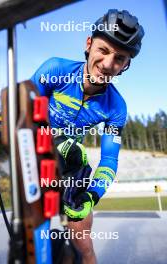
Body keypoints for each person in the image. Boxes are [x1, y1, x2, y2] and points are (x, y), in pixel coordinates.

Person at [31, 9, 144, 264]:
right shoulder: (55, 69)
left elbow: (109, 161)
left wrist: (92, 195)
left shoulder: (117, 106)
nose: (107, 64)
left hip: (72, 171)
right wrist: (54, 139)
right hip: (37, 160)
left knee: (83, 244)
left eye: (119, 58)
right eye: (103, 50)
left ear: (126, 65)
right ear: (89, 44)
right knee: (34, 241)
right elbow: (20, 110)